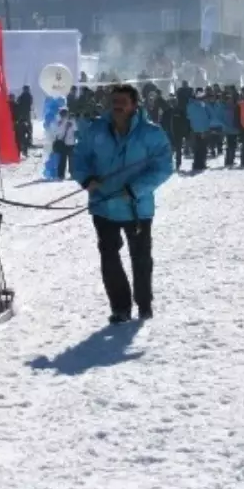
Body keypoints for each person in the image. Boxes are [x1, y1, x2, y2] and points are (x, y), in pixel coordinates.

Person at [70, 84, 174, 324]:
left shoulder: (151, 133)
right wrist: (86, 178)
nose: (117, 106)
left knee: (141, 258)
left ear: (134, 105)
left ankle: (144, 304)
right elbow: (79, 158)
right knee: (109, 257)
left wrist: (135, 189)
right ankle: (120, 307)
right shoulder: (95, 129)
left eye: (122, 102)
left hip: (137, 207)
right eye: (114, 101)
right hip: (103, 206)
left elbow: (164, 167)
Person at [51, 107, 77, 179]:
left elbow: (56, 132)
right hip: (71, 142)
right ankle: (72, 174)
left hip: (63, 143)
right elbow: (75, 130)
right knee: (71, 160)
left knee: (62, 160)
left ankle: (61, 175)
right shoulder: (72, 121)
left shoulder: (59, 122)